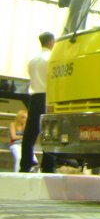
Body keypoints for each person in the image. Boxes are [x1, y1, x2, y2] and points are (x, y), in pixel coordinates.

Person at [20, 31, 56, 173]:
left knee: (30, 133)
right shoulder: (51, 59)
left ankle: (25, 164)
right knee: (49, 131)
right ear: (50, 42)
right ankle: (48, 165)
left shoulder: (33, 59)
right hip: (47, 97)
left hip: (34, 97)